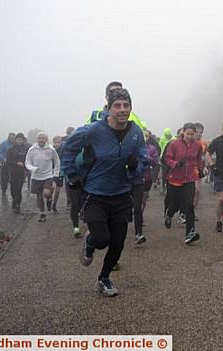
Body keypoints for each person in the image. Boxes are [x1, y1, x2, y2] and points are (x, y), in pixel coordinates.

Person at [63, 87, 148, 297]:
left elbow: (143, 160)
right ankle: (90, 242)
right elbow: (69, 148)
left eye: (126, 105)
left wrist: (134, 166)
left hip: (121, 194)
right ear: (108, 108)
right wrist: (72, 174)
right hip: (95, 194)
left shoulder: (135, 132)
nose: (122, 110)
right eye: (117, 106)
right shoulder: (93, 130)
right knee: (102, 239)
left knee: (118, 243)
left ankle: (104, 278)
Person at [164, 123, 203, 244]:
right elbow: (167, 158)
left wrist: (201, 170)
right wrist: (175, 164)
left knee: (189, 205)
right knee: (175, 204)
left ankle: (190, 232)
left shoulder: (197, 145)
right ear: (183, 133)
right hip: (175, 178)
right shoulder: (174, 144)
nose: (190, 136)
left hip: (189, 179)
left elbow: (198, 159)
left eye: (192, 134)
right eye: (188, 134)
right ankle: (169, 214)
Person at [131, 129, 159, 245]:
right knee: (131, 204)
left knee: (139, 204)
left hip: (145, 178)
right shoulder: (131, 146)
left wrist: (147, 157)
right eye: (143, 136)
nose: (145, 138)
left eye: (147, 136)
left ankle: (138, 233)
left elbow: (155, 163)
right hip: (130, 179)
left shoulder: (152, 148)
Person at [25, 133, 60, 222]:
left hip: (48, 175)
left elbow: (57, 162)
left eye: (43, 138)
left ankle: (49, 198)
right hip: (36, 176)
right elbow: (27, 162)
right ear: (37, 139)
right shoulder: (32, 150)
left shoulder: (50, 149)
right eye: (39, 138)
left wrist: (55, 174)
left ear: (46, 139)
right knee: (39, 196)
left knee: (47, 193)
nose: (41, 140)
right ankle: (42, 214)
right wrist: (33, 168)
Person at [5, 133, 30, 213]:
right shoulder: (11, 149)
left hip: (21, 173)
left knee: (18, 189)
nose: (19, 141)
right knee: (13, 189)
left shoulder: (26, 149)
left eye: (21, 140)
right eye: (18, 139)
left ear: (23, 140)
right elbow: (8, 161)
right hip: (13, 172)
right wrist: (16, 163)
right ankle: (14, 201)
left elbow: (29, 160)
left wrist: (27, 168)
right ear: (15, 140)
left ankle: (17, 205)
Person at [51, 136, 64, 214]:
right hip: (51, 171)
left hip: (60, 172)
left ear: (61, 142)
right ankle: (49, 199)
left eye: (58, 142)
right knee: (51, 188)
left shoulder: (63, 150)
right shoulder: (51, 150)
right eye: (55, 142)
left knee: (58, 190)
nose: (57, 144)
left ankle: (54, 205)